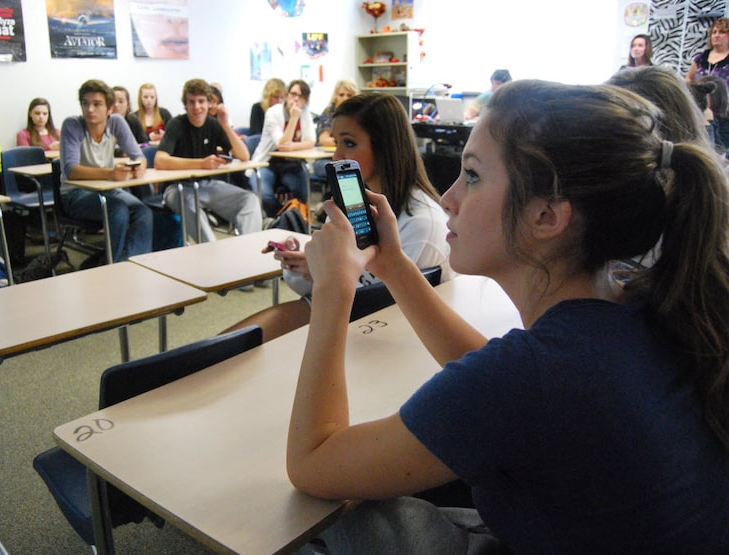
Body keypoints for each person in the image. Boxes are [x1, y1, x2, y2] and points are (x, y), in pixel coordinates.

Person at [288, 80, 729, 553]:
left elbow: (313, 464)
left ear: (546, 217)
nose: (448, 199)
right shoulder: (642, 307)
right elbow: (499, 382)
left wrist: (335, 289)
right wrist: (392, 264)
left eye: (473, 176)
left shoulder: (533, 375)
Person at [224, 93, 451, 342]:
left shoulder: (421, 223)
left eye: (350, 143)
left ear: (386, 147)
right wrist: (308, 262)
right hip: (336, 313)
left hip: (374, 330)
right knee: (227, 348)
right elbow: (328, 288)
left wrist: (325, 273)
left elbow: (379, 306)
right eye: (336, 143)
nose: (336, 156)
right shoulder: (354, 202)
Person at [154, 78, 261, 243]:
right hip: (177, 188)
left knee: (249, 200)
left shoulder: (213, 124)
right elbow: (160, 160)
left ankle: (248, 249)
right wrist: (200, 163)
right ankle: (212, 251)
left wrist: (225, 124)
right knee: (191, 206)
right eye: (192, 102)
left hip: (206, 185)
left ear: (210, 103)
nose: (197, 107)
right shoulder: (176, 124)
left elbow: (244, 155)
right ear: (185, 104)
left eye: (201, 101)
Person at [59, 79, 153, 263]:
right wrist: (110, 173)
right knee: (117, 210)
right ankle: (114, 267)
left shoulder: (116, 122)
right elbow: (71, 170)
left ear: (109, 109)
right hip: (75, 194)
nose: (90, 109)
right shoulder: (72, 125)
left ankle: (134, 265)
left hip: (108, 190)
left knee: (143, 212)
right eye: (85, 104)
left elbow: (138, 155)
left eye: (97, 104)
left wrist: (139, 165)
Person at [250, 79, 316, 216]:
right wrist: (293, 118)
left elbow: (311, 141)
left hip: (291, 163)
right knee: (265, 195)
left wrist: (292, 147)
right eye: (293, 94)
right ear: (286, 95)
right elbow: (282, 144)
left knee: (302, 192)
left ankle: (297, 220)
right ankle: (279, 219)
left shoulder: (305, 113)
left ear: (306, 101)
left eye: (301, 96)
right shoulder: (273, 113)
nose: (296, 99)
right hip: (266, 163)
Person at [687, 17, 729, 86]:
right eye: (714, 32)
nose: (716, 35)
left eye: (722, 32)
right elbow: (689, 79)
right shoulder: (701, 57)